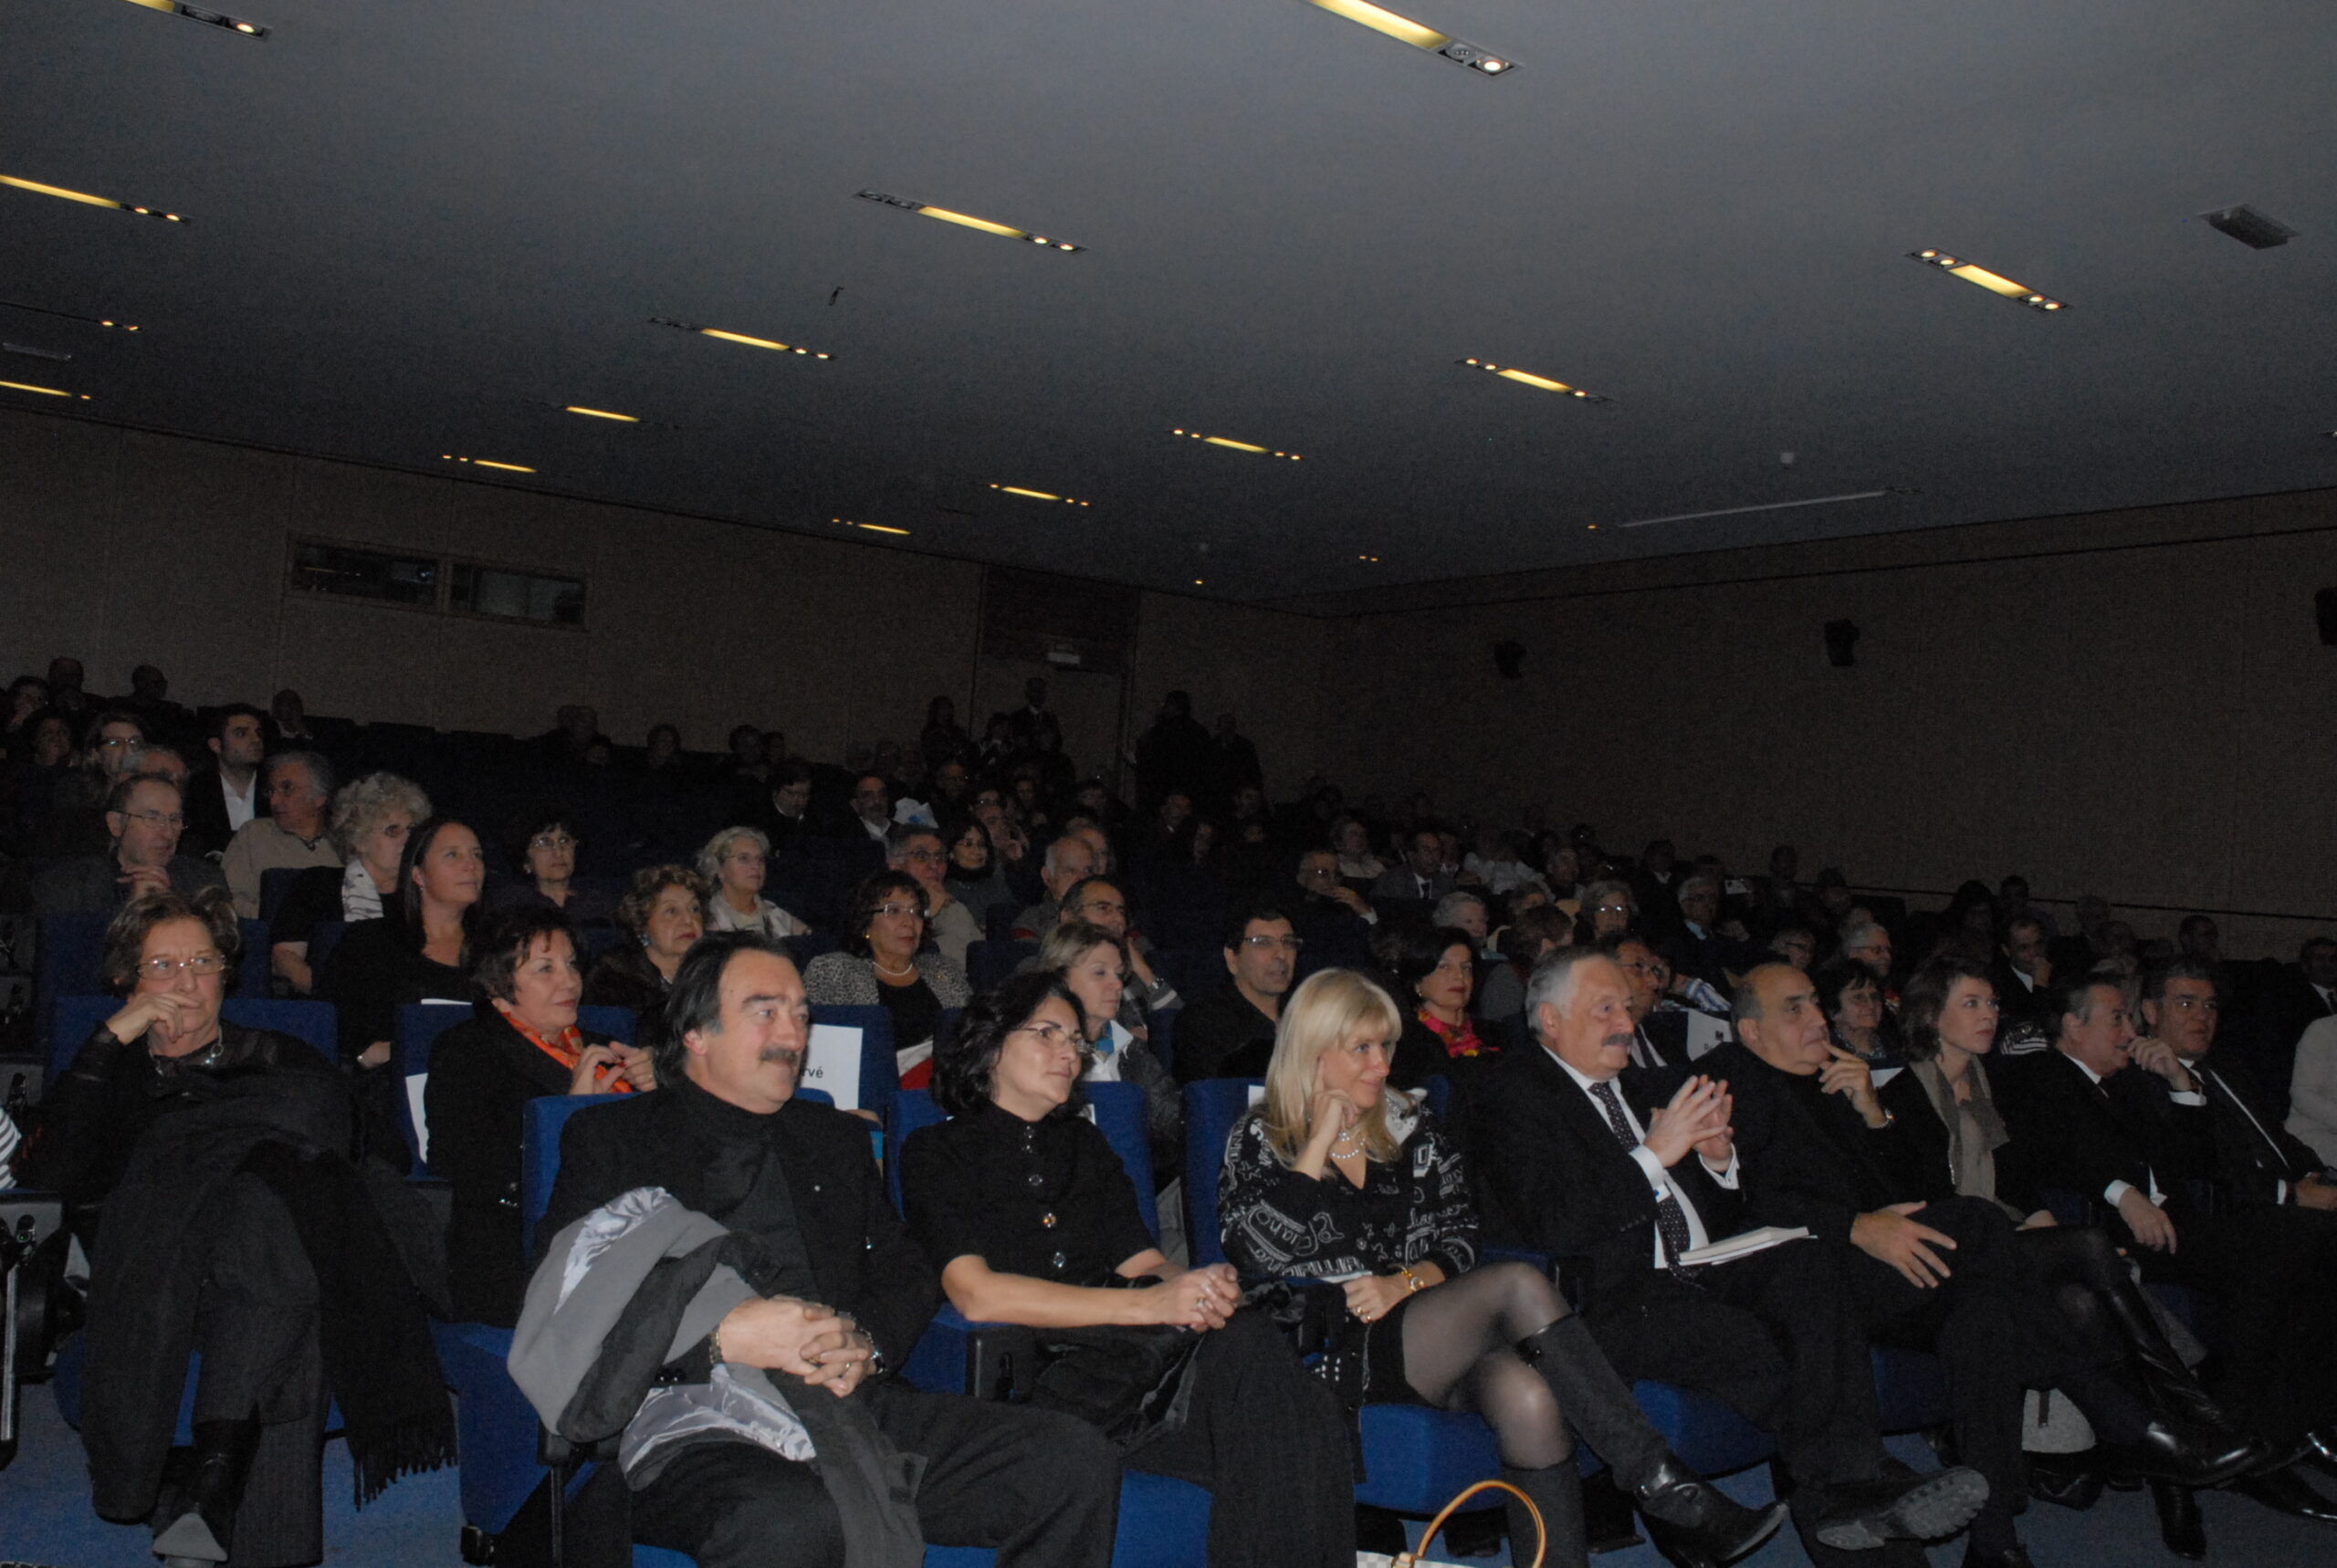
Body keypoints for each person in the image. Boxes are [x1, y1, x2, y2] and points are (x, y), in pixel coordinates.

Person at [529, 934, 1124, 1568]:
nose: (793, 1033)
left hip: (844, 1398)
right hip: (688, 1412)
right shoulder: (612, 1137)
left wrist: (865, 1342)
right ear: (696, 1032)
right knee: (791, 1521)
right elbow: (569, 1295)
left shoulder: (833, 1138)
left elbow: (908, 1266)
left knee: (1071, 1457)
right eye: (766, 1011)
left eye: (801, 1013)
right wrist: (718, 1335)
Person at [1221, 967, 1787, 1568]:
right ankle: (1663, 1483)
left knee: (1529, 1396)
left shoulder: (1410, 1128)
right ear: (1313, 1051)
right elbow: (1254, 1251)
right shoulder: (1261, 1137)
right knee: (1518, 1281)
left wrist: (1405, 1282)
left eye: (1385, 1046)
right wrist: (1317, 1146)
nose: (1381, 1065)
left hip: (1426, 1328)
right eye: (1361, 1048)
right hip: (1329, 1344)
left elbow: (1463, 1238)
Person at [1706, 963, 2248, 1566]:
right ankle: (2121, 1415)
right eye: (1795, 1008)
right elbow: (1745, 1202)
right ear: (1752, 1033)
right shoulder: (1733, 1078)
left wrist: (1871, 1112)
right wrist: (1857, 1225)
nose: (1817, 1019)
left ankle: (1996, 1542)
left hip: (1883, 1269)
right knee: (1977, 1218)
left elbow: (1897, 1188)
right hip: (1813, 1273)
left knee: (1983, 1317)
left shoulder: (1835, 1086)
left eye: (1814, 1004)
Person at [1470, 949, 1989, 1568]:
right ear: (1549, 1019)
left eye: (1629, 1009)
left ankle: (1860, 1486)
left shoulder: (1644, 1088)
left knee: (1813, 1261)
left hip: (1711, 1265)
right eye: (1605, 1008)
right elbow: (1557, 1224)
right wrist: (1654, 1155)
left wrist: (1717, 1159)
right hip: (1616, 1296)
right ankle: (1861, 1489)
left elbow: (1721, 1212)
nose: (1626, 1024)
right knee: (1803, 1372)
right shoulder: (1512, 1094)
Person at [29, 889, 453, 1568]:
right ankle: (230, 1508)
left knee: (275, 1217)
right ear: (126, 980)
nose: (188, 981)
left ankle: (207, 1493)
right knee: (286, 1250)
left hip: (258, 1275)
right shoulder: (111, 1073)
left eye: (202, 961)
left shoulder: (280, 1060)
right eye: (162, 966)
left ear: (226, 972)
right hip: (154, 1279)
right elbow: (49, 1168)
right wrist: (110, 1038)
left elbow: (354, 1145)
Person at [896, 971, 1348, 1567]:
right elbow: (976, 1295)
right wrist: (1148, 1305)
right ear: (991, 1045)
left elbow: (1144, 1263)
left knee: (1258, 1354)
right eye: (1048, 1034)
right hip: (1045, 1382)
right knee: (1272, 1392)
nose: (1070, 1052)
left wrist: (1198, 1289)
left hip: (1138, 1366)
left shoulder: (1086, 1147)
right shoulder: (937, 1151)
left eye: (1076, 1041)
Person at [1880, 957, 2264, 1551]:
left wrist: (2047, 1231)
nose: (1991, 1014)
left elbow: (2017, 1186)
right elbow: (1932, 1197)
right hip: (1951, 1247)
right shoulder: (1906, 1093)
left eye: (1992, 1003)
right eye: (1973, 1004)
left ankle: (2160, 1445)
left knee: (2081, 1289)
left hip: (2004, 1242)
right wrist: (2063, 1235)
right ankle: (2179, 1419)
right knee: (2086, 1250)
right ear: (1932, 1016)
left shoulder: (1986, 1085)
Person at [425, 906, 652, 1326]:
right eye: (545, 969)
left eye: (570, 965)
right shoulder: (465, 1051)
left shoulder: (604, 1047)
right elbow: (463, 1166)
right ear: (499, 983)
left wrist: (658, 1096)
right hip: (517, 1249)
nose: (569, 980)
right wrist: (568, 1114)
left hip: (622, 1233)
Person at [319, 817, 487, 1160]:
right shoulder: (370, 943)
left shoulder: (500, 949)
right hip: (388, 1088)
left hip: (482, 1088)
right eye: (452, 855)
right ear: (418, 874)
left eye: (477, 855)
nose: (471, 864)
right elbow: (333, 1026)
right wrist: (374, 1053)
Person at [802, 871, 971, 1087]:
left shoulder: (945, 971)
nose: (909, 922)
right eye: (893, 911)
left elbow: (974, 1040)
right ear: (865, 924)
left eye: (916, 912)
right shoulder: (833, 971)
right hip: (864, 1089)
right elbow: (814, 1048)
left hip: (946, 1088)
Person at [271, 772, 430, 995]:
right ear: (358, 839)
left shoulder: (427, 893)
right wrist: (332, 993)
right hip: (330, 1006)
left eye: (412, 829)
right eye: (393, 830)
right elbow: (285, 959)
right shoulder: (317, 885)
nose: (407, 839)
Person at [1038, 918, 1180, 1162]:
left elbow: (1173, 1118)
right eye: (1099, 972)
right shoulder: (1032, 1051)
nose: (1116, 984)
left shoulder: (1126, 1046)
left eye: (1118, 973)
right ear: (1061, 979)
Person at [35, 772, 229, 913]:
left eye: (175, 820)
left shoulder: (204, 882)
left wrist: (172, 906)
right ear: (116, 824)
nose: (168, 832)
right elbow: (43, 955)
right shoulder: (68, 885)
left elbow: (227, 947)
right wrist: (132, 910)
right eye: (152, 819)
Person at [1172, 904, 1301, 1082]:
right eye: (1263, 943)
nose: (1281, 954)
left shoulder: (1307, 1014)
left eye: (1288, 942)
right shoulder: (1204, 1022)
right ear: (1232, 958)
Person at [582, 865, 709, 1040]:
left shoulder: (714, 970)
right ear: (642, 924)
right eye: (671, 911)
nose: (689, 920)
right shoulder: (613, 978)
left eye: (694, 909)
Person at [220, 751, 341, 920]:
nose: (274, 800)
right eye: (271, 791)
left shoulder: (346, 841)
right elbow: (226, 899)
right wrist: (280, 920)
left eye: (287, 789)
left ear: (319, 797)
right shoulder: (254, 835)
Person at [1386, 924, 1494, 1089]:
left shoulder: (1495, 1032)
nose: (1459, 976)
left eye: (1466, 968)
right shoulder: (1405, 1042)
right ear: (1418, 982)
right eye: (1444, 967)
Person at [487, 804, 618, 925]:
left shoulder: (601, 903)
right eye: (544, 843)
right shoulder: (511, 906)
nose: (559, 852)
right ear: (526, 861)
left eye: (564, 840)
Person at [181, 704, 267, 859]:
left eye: (259, 732)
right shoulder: (195, 790)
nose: (256, 739)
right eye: (241, 734)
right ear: (216, 745)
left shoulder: (276, 787)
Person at [891, 822, 979, 972]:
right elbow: (894, 966)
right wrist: (927, 915)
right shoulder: (883, 909)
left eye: (939, 857)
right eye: (921, 856)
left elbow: (981, 965)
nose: (934, 865)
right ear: (896, 866)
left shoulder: (954, 908)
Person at [699, 825, 811, 939]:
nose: (756, 866)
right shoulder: (704, 918)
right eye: (744, 858)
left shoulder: (777, 915)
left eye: (760, 860)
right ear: (719, 869)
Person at [1009, 832, 1099, 940]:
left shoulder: (1109, 916)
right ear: (1047, 877)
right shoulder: (1032, 922)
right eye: (1070, 871)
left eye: (1088, 871)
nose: (1082, 878)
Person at [939, 812, 1015, 926]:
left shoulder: (996, 883)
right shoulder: (945, 889)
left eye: (982, 844)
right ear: (951, 851)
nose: (977, 851)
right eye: (968, 844)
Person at [1816, 960, 1898, 1065]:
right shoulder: (1823, 1057)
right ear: (1834, 1012)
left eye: (1874, 997)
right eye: (1858, 998)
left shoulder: (1898, 1048)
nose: (1871, 1005)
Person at [1371, 826, 1455, 907]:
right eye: (1426, 850)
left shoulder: (1446, 883)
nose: (1432, 856)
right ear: (1411, 855)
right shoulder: (1391, 881)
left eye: (1436, 850)